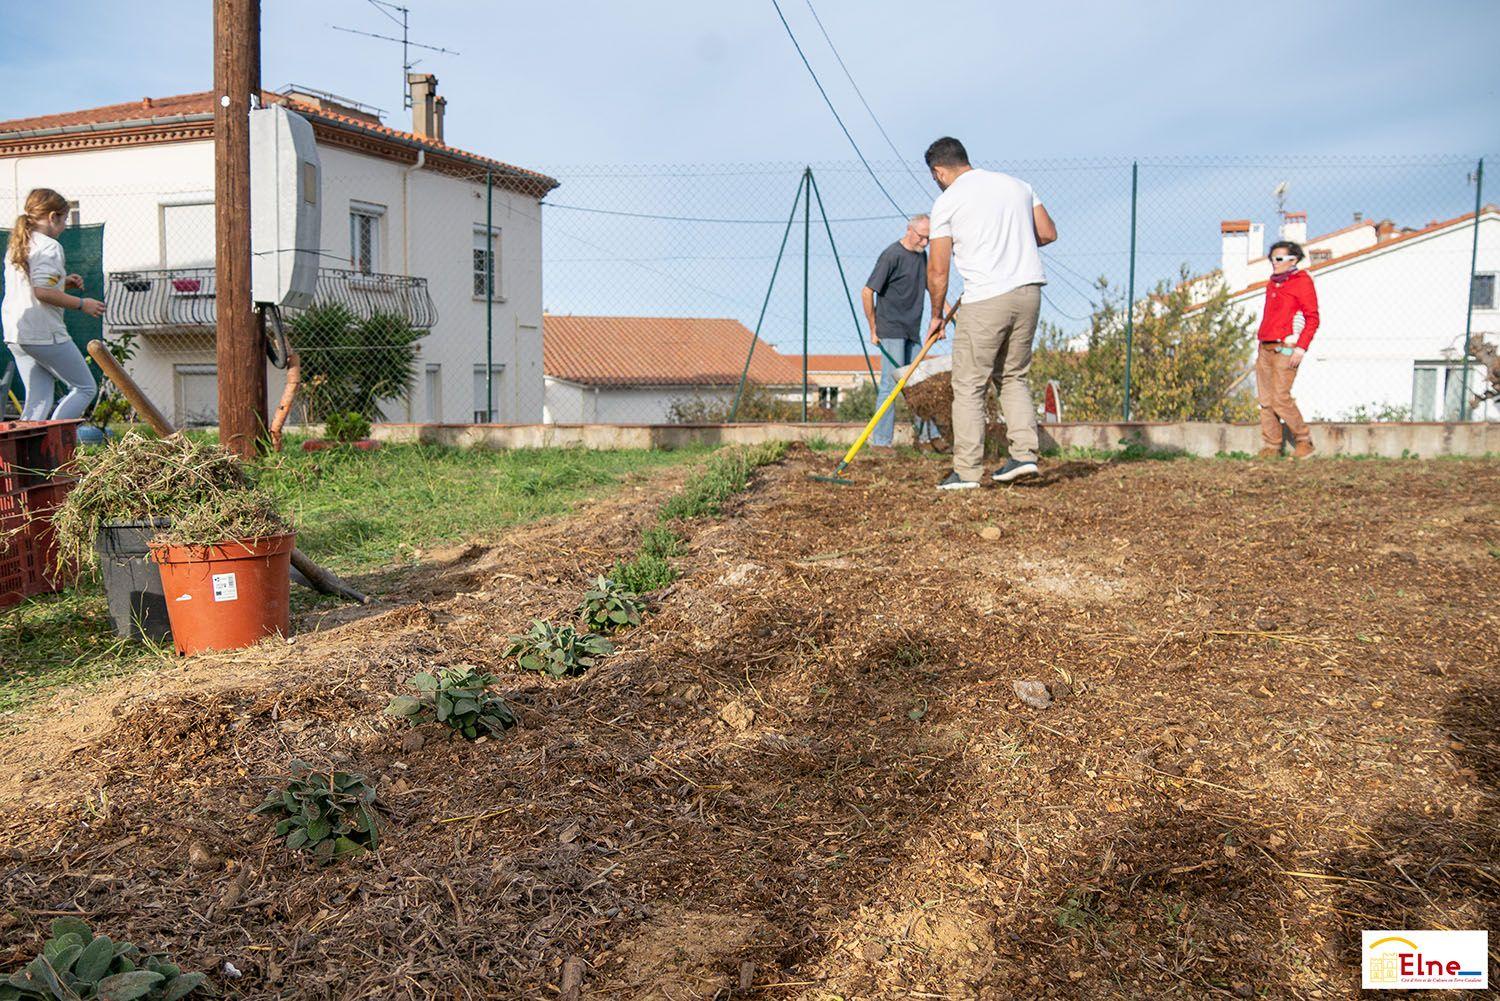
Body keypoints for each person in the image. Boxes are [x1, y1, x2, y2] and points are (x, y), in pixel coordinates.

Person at [923, 137, 1056, 490]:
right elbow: (1047, 233)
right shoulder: (1018, 186)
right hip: (1029, 291)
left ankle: (966, 472)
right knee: (1013, 377)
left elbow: (937, 270)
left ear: (938, 171)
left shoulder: (947, 201)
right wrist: (1011, 241)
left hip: (985, 298)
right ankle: (1024, 456)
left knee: (969, 386)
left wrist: (936, 316)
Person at [3, 188, 102, 422]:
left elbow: (30, 287)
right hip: (43, 333)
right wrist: (82, 304)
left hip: (16, 334)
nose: (65, 226)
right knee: (84, 388)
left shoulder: (20, 244)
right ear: (52, 217)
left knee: (38, 400)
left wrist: (63, 283)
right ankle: (55, 447)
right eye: (65, 219)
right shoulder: (49, 246)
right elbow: (42, 292)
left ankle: (25, 456)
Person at [862, 214, 937, 447]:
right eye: (922, 237)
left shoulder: (921, 256)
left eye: (929, 239)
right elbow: (867, 292)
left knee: (919, 384)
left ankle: (928, 438)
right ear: (909, 230)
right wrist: (873, 328)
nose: (925, 243)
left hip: (912, 329)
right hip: (891, 329)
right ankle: (881, 442)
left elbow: (931, 287)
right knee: (890, 385)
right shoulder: (891, 255)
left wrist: (943, 314)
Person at [1256, 240, 1319, 459]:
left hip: (1286, 349)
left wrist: (1300, 348)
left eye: (1281, 259)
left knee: (1280, 398)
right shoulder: (1272, 284)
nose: (1276, 263)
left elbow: (1312, 318)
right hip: (1265, 347)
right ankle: (1272, 446)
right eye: (1273, 258)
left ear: (1294, 260)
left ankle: (1304, 441)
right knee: (1265, 400)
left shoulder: (1302, 282)